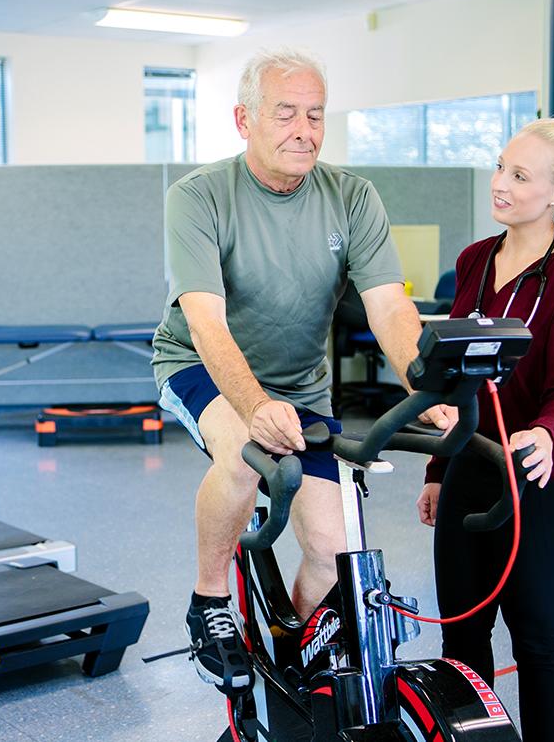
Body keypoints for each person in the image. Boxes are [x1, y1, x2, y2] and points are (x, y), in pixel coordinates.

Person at [151, 47, 454, 695]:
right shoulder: (199, 197)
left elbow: (390, 309)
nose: (304, 130)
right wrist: (253, 405)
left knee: (333, 547)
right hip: (200, 367)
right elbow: (205, 322)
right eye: (285, 113)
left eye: (315, 115)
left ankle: (293, 661)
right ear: (244, 120)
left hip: (301, 386)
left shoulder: (352, 197)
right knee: (242, 454)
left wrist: (421, 384)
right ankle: (208, 604)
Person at [415, 117, 554, 741]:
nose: (499, 183)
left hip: (543, 472)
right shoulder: (474, 262)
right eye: (501, 166)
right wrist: (436, 470)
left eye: (519, 174)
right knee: (462, 629)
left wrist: (547, 436)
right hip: (471, 463)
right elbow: (451, 379)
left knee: (535, 634)